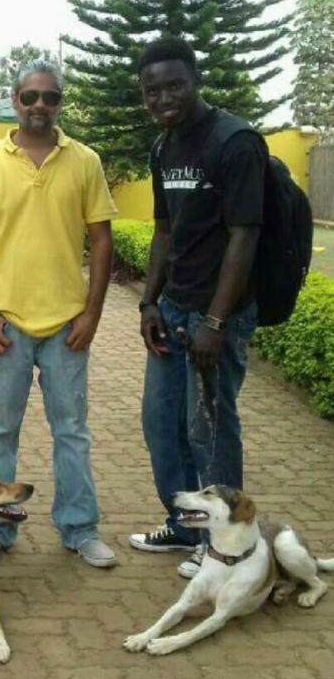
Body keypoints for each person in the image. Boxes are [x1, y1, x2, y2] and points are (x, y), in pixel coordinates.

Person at [0, 59, 117, 568]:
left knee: (72, 431)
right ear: (14, 100)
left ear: (60, 103)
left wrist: (91, 314)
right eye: (30, 97)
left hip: (67, 326)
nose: (40, 105)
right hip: (8, 326)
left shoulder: (84, 161)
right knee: (0, 433)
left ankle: (79, 527)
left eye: (50, 97)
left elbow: (102, 239)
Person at [128, 38, 266, 579]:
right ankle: (186, 526)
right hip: (174, 309)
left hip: (218, 315)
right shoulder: (164, 147)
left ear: (196, 80)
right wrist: (147, 302)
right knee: (161, 422)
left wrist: (214, 320)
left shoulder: (235, 142)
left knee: (209, 426)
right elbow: (165, 230)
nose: (163, 97)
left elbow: (243, 237)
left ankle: (225, 544)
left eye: (174, 84)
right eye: (152, 90)